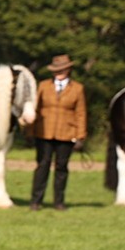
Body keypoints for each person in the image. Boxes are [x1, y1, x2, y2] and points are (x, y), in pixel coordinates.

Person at [27, 54, 86, 211]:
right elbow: (35, 109)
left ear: (68, 70)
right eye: (56, 70)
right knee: (42, 166)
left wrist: (80, 136)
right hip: (44, 132)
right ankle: (36, 200)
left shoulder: (78, 88)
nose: (58, 73)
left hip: (66, 133)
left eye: (61, 70)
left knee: (61, 168)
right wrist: (30, 131)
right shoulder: (43, 86)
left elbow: (80, 113)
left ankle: (59, 201)